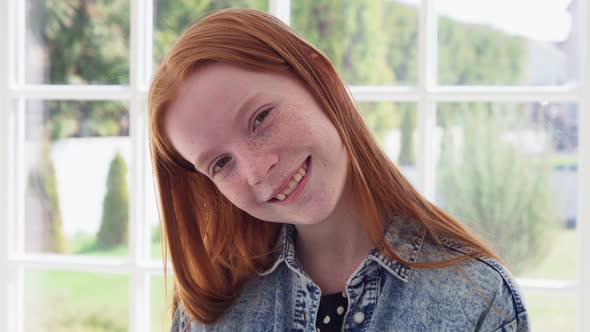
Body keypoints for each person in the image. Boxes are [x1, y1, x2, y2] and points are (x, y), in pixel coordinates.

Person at [148, 8, 529, 332]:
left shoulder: (478, 300)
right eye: (221, 163)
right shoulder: (209, 312)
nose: (257, 170)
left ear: (322, 80)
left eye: (261, 118)